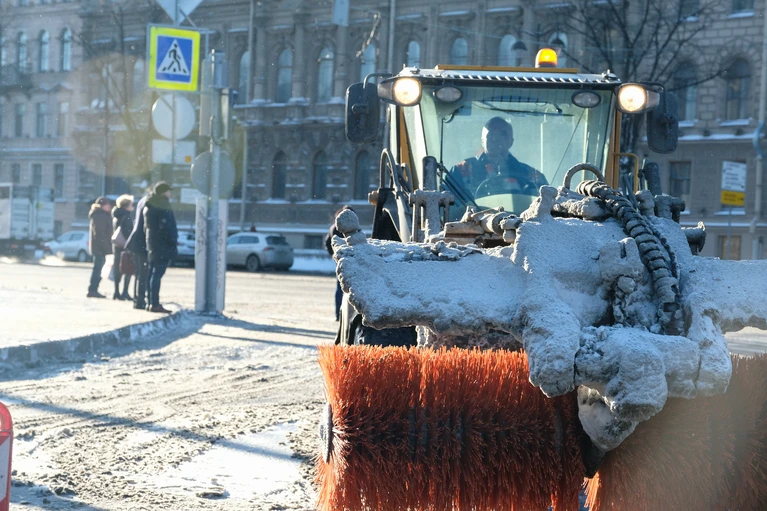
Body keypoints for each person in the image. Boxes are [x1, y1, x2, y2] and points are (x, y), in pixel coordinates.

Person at [449, 117, 548, 200]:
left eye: (502, 134)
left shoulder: (533, 177)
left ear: (511, 141)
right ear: (482, 141)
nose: (495, 139)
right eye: (491, 134)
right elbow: (448, 208)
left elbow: (547, 208)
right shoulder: (461, 172)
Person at [144, 181, 177, 314]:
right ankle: (155, 304)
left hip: (152, 243)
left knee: (151, 273)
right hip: (162, 244)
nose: (170, 193)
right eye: (168, 191)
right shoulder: (162, 204)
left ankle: (150, 302)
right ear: (164, 192)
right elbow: (166, 226)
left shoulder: (150, 204)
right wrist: (172, 240)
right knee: (157, 274)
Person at [325, 205, 353, 321]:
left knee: (340, 287)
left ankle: (338, 314)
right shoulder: (349, 228)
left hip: (340, 260)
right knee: (350, 288)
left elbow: (327, 243)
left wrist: (334, 255)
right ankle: (346, 315)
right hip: (350, 260)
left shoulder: (334, 227)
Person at [125, 189, 151, 310]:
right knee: (142, 273)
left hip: (136, 241)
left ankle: (138, 299)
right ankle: (140, 300)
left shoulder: (142, 201)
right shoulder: (147, 203)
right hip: (141, 242)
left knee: (139, 273)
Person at [87, 197, 112, 298]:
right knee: (98, 269)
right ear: (102, 206)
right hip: (100, 248)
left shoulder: (101, 215)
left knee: (98, 269)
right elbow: (100, 234)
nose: (109, 206)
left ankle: (93, 289)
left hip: (100, 247)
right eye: (107, 204)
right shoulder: (100, 215)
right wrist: (107, 247)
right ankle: (93, 289)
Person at [111, 194, 134, 301]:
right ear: (126, 205)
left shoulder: (116, 215)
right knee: (127, 268)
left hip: (117, 245)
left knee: (117, 268)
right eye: (131, 204)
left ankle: (116, 291)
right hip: (126, 245)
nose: (132, 206)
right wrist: (130, 244)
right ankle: (125, 292)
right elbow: (128, 232)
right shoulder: (127, 216)